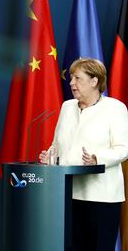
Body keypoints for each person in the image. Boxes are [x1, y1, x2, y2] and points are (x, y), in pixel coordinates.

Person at [39, 58, 128, 251]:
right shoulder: (67, 107)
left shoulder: (115, 108)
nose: (71, 83)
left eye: (77, 78)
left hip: (102, 198)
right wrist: (50, 158)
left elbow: (123, 148)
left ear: (94, 81)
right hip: (68, 194)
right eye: (71, 78)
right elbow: (57, 145)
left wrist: (97, 158)